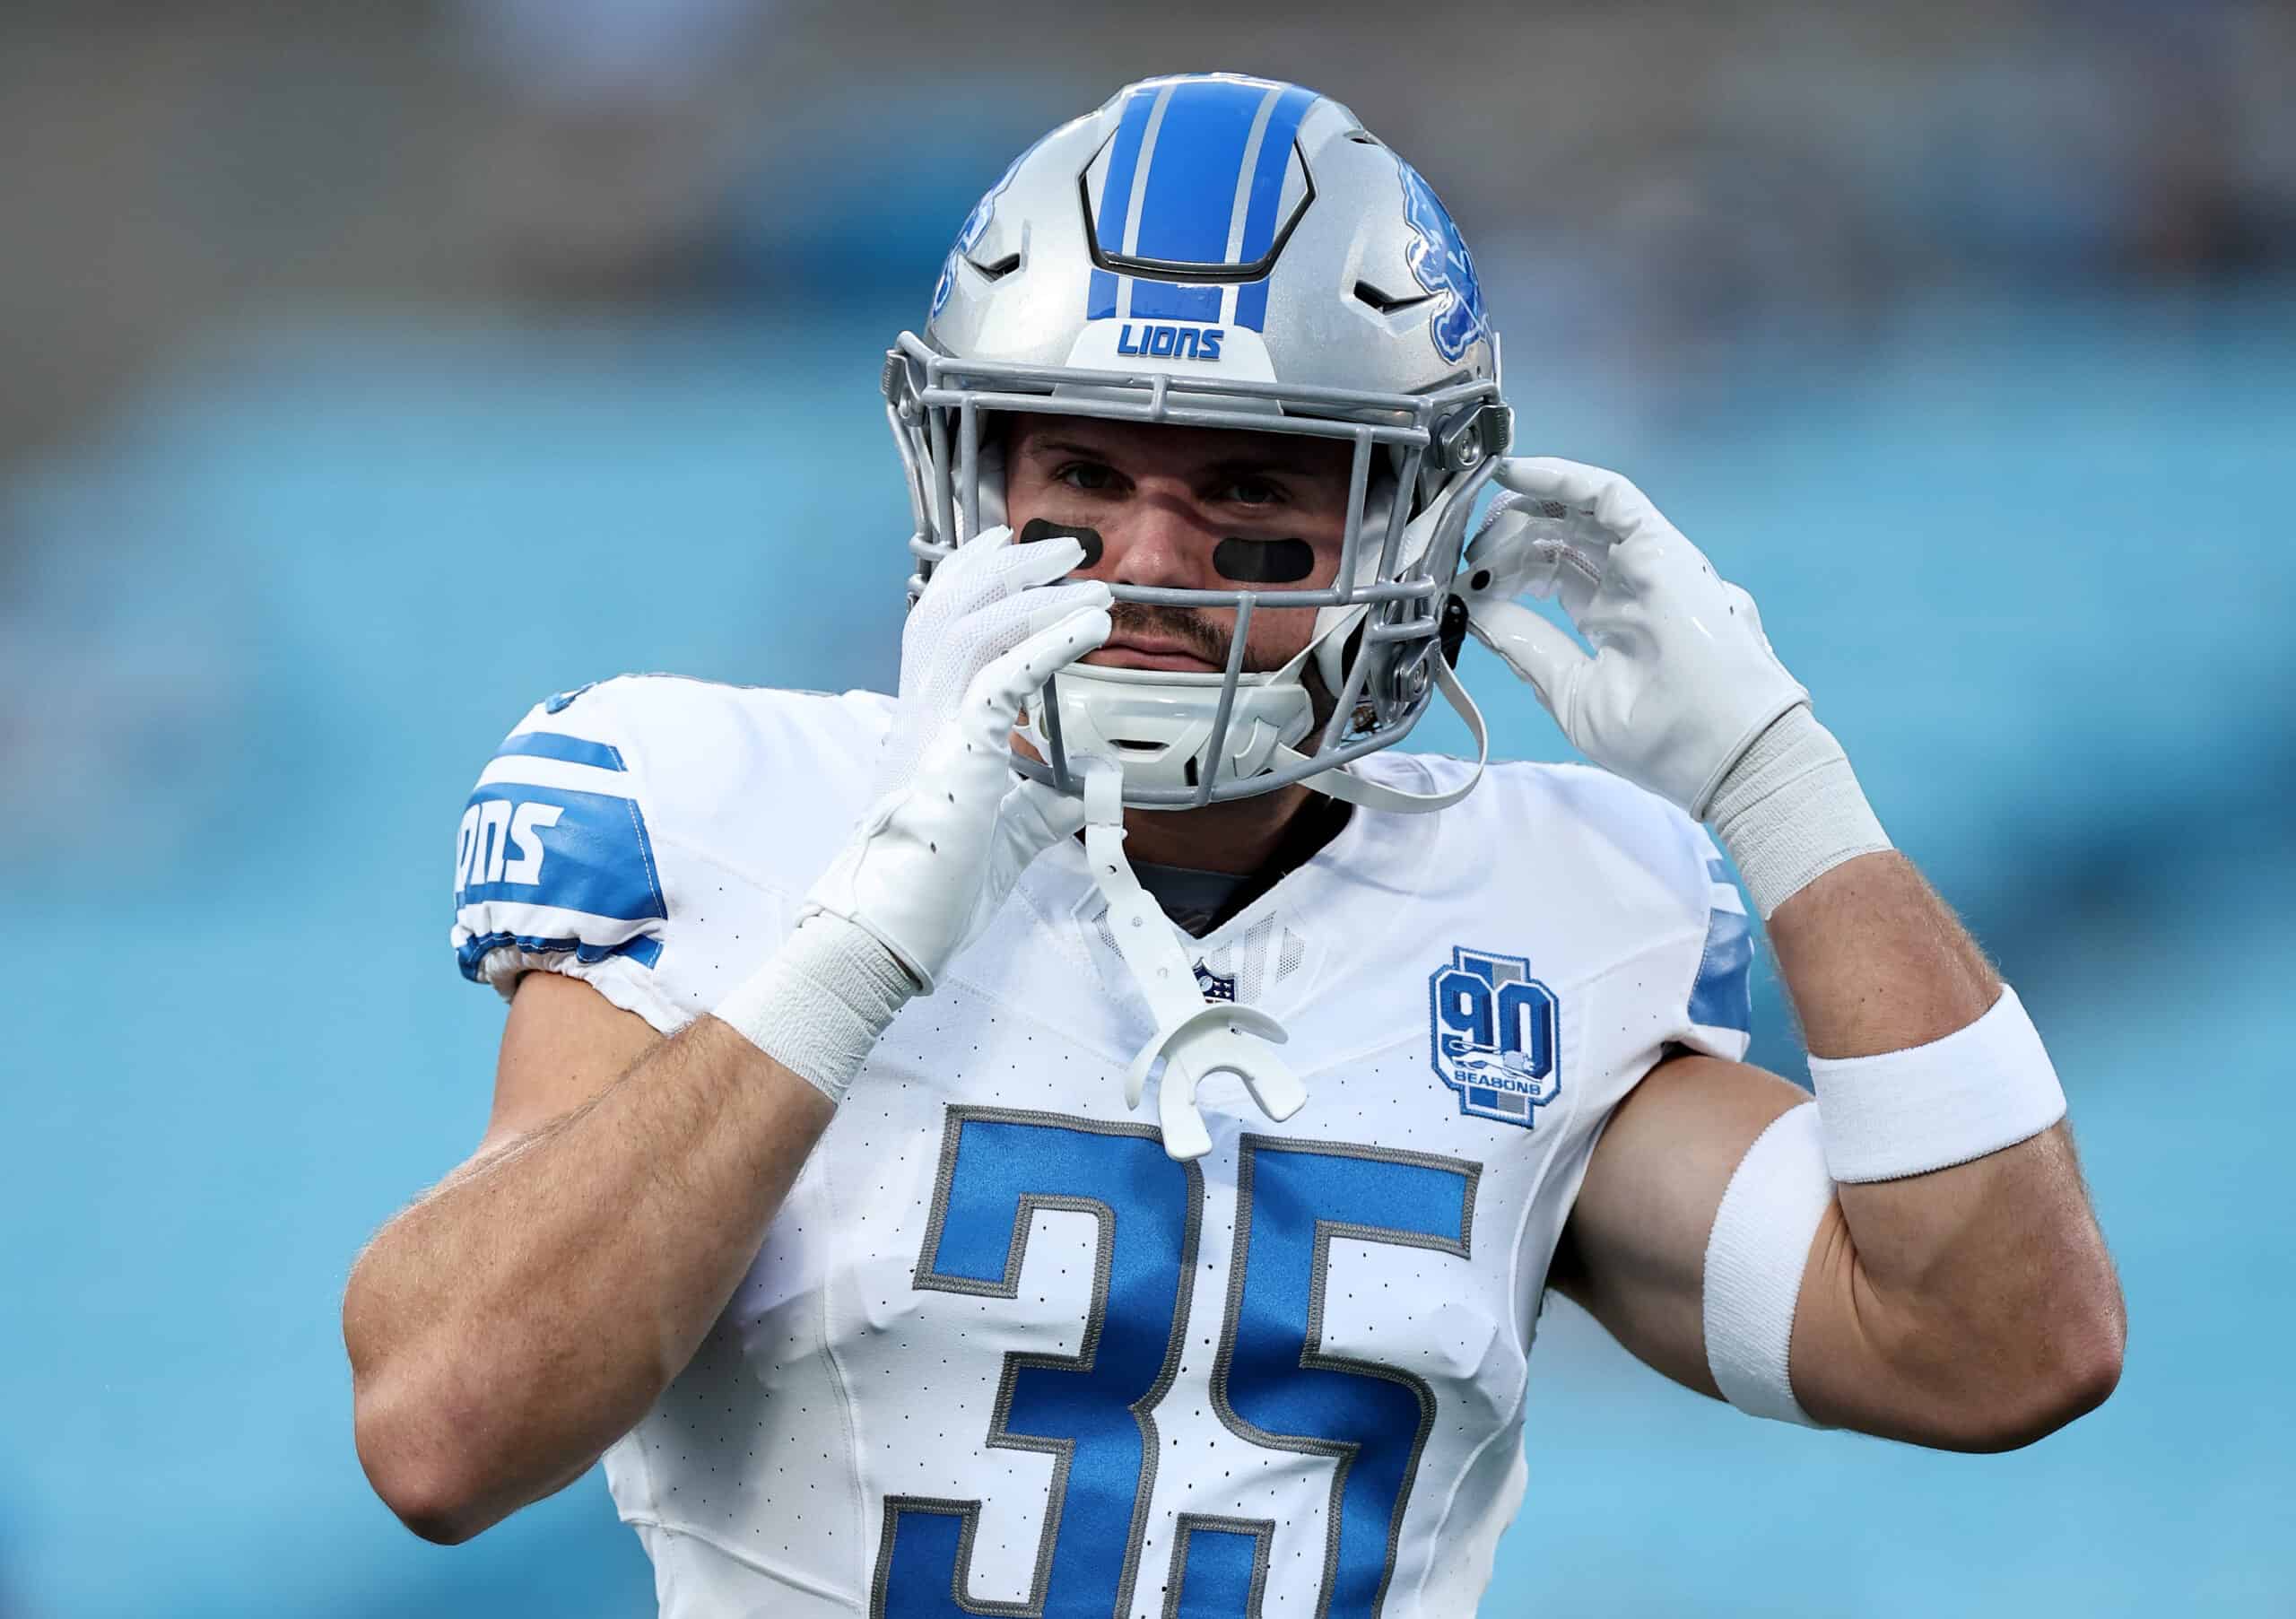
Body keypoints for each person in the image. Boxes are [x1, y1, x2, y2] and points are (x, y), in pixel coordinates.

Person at [343, 73, 2123, 1617]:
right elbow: (443, 1429)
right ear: (966, 479)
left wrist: (1774, 779)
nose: (1148, 563)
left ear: (1405, 520)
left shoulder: (1550, 914)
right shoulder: (721, 805)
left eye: (1249, 490)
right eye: (1084, 480)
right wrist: (868, 935)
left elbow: (1996, 1344)